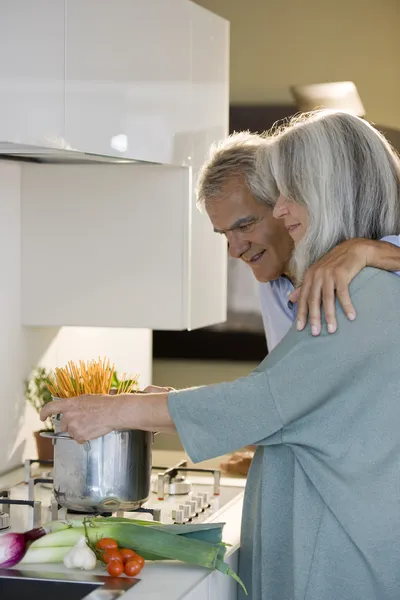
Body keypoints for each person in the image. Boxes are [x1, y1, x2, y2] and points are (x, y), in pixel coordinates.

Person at [42, 110, 400, 599]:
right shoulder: (342, 280)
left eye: (288, 196)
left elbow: (266, 401)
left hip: (337, 550)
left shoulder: (357, 287)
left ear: (330, 190)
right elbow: (300, 399)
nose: (282, 212)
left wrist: (114, 410)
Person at [196, 130, 400, 476]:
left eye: (245, 225)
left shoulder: (369, 268)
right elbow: (297, 401)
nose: (234, 250)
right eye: (224, 235)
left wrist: (369, 250)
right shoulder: (274, 281)